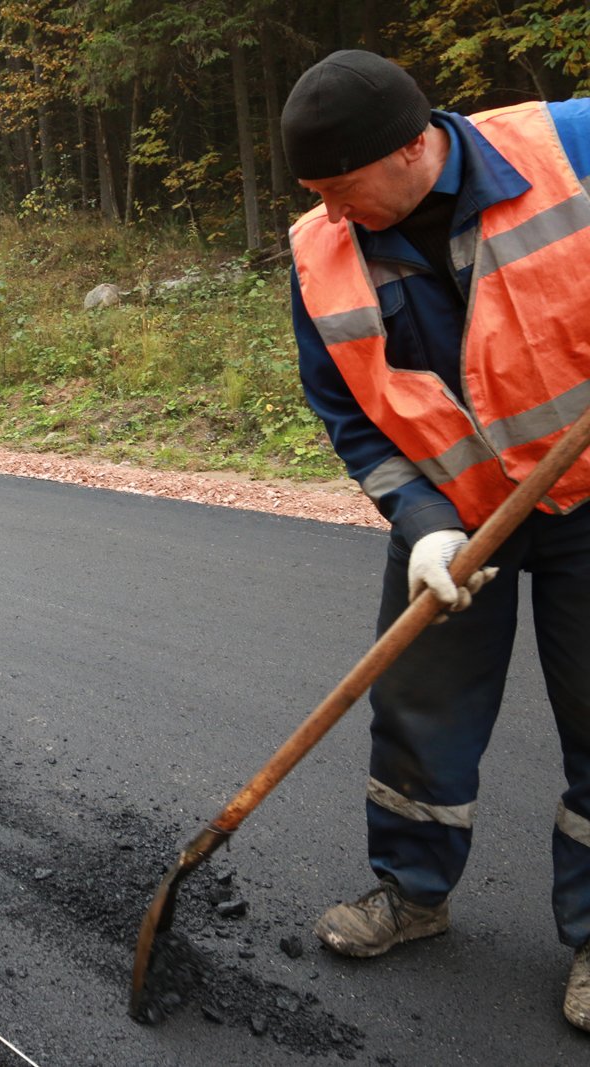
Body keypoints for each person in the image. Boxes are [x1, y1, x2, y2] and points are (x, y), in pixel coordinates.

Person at [282, 50, 590, 1030]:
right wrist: (419, 527)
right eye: (315, 193)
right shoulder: (320, 251)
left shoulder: (568, 148)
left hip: (588, 496)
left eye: (340, 187)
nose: (329, 211)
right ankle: (410, 894)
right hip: (455, 522)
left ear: (413, 147)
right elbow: (349, 415)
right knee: (418, 708)